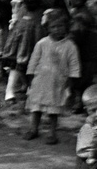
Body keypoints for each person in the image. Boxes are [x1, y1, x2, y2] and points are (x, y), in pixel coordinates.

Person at [24, 9, 80, 144]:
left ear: (66, 27)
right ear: (48, 28)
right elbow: (33, 60)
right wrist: (30, 75)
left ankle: (52, 133)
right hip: (40, 81)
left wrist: (72, 79)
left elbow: (74, 64)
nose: (57, 29)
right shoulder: (42, 43)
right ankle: (33, 129)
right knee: (36, 108)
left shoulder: (70, 46)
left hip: (57, 83)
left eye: (60, 26)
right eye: (53, 26)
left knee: (53, 110)